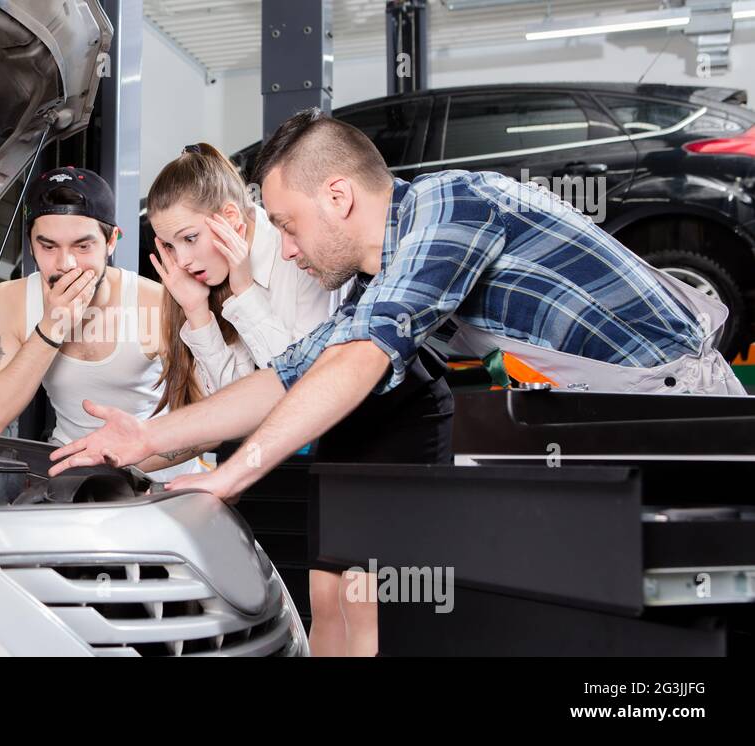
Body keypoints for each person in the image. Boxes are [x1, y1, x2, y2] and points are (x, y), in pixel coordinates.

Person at [48, 109, 746, 655]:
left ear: (340, 196)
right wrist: (148, 435)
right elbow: (296, 371)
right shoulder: (385, 278)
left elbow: (359, 357)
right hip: (609, 433)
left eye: (288, 226)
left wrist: (233, 476)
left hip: (683, 426)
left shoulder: (454, 206)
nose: (284, 248)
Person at [0, 166, 215, 482]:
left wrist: (119, 462)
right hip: (70, 475)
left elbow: (210, 425)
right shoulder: (9, 300)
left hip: (158, 475)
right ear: (30, 243)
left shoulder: (158, 303)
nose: (66, 264)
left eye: (83, 246)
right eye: (48, 246)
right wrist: (52, 326)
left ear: (111, 241)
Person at [147, 143, 347, 410]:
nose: (181, 261)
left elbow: (304, 384)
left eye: (190, 238)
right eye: (170, 246)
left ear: (230, 216)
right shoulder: (208, 275)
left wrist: (244, 291)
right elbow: (231, 407)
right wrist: (197, 312)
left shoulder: (297, 251)